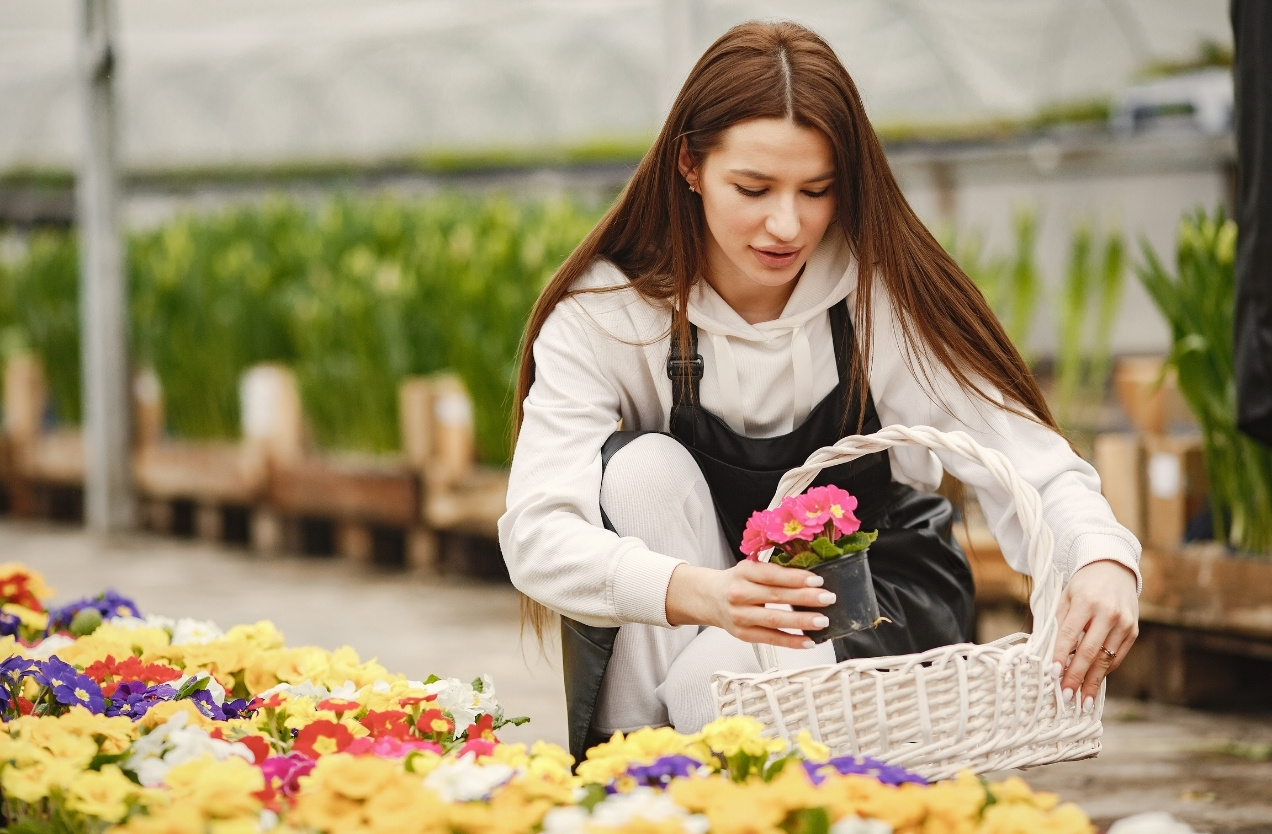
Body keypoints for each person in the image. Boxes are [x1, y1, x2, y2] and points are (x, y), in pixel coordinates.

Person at [499, 20, 1140, 764]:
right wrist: (703, 592)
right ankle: (652, 772)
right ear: (689, 165)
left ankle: (648, 774)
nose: (787, 224)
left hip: (871, 596)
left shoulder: (881, 293)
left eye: (817, 190)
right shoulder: (610, 310)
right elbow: (537, 533)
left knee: (716, 678)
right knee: (643, 472)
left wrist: (1101, 558)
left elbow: (1027, 457)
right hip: (704, 594)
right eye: (753, 188)